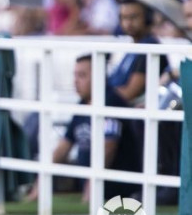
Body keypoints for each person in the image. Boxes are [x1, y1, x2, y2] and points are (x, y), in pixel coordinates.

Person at [27, 55, 141, 202]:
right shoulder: (82, 104)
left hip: (118, 192)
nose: (76, 81)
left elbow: (109, 147)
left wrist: (92, 186)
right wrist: (40, 183)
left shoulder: (112, 102)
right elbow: (63, 146)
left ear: (99, 77)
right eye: (75, 75)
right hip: (94, 188)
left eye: (82, 75)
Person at [108, 0, 168, 104]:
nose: (128, 23)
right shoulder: (134, 46)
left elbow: (130, 92)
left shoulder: (150, 45)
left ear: (147, 18)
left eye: (133, 17)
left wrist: (101, 97)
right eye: (124, 18)